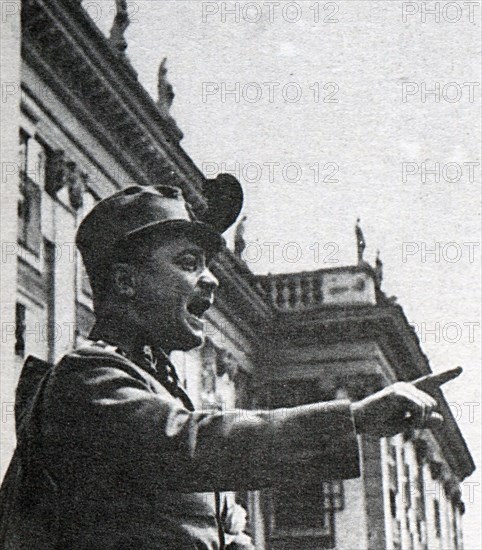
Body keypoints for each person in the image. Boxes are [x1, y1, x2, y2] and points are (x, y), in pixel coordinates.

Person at [0, 182, 460, 549]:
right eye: (188, 263)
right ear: (125, 282)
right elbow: (191, 444)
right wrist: (353, 419)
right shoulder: (87, 378)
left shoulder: (154, 387)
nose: (212, 278)